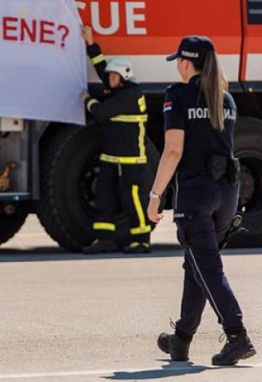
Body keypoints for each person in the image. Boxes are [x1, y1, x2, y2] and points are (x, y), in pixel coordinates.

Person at [150, 36, 255, 366]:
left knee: (206, 266)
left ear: (186, 63)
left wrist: (155, 196)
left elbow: (173, 150)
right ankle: (181, 339)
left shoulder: (177, 95)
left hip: (196, 194)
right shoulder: (225, 98)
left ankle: (237, 335)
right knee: (196, 264)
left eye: (179, 61)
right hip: (227, 193)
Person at [80, 26, 154, 254]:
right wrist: (91, 44)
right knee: (104, 197)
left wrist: (87, 101)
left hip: (131, 159)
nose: (108, 79)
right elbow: (103, 69)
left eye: (113, 76)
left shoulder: (131, 95)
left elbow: (101, 111)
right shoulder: (119, 86)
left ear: (123, 77)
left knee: (132, 199)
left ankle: (141, 240)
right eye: (110, 76)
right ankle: (105, 239)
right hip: (111, 156)